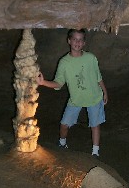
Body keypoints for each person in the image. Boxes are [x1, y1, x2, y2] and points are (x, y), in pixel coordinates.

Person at [36, 28, 108, 157]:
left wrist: (105, 92)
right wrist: (43, 82)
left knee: (95, 125)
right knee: (64, 124)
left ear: (84, 43)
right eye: (75, 39)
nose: (77, 42)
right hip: (76, 98)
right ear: (69, 41)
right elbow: (58, 83)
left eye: (80, 40)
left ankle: (95, 152)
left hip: (94, 96)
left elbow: (98, 77)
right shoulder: (64, 62)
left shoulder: (91, 58)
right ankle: (62, 143)